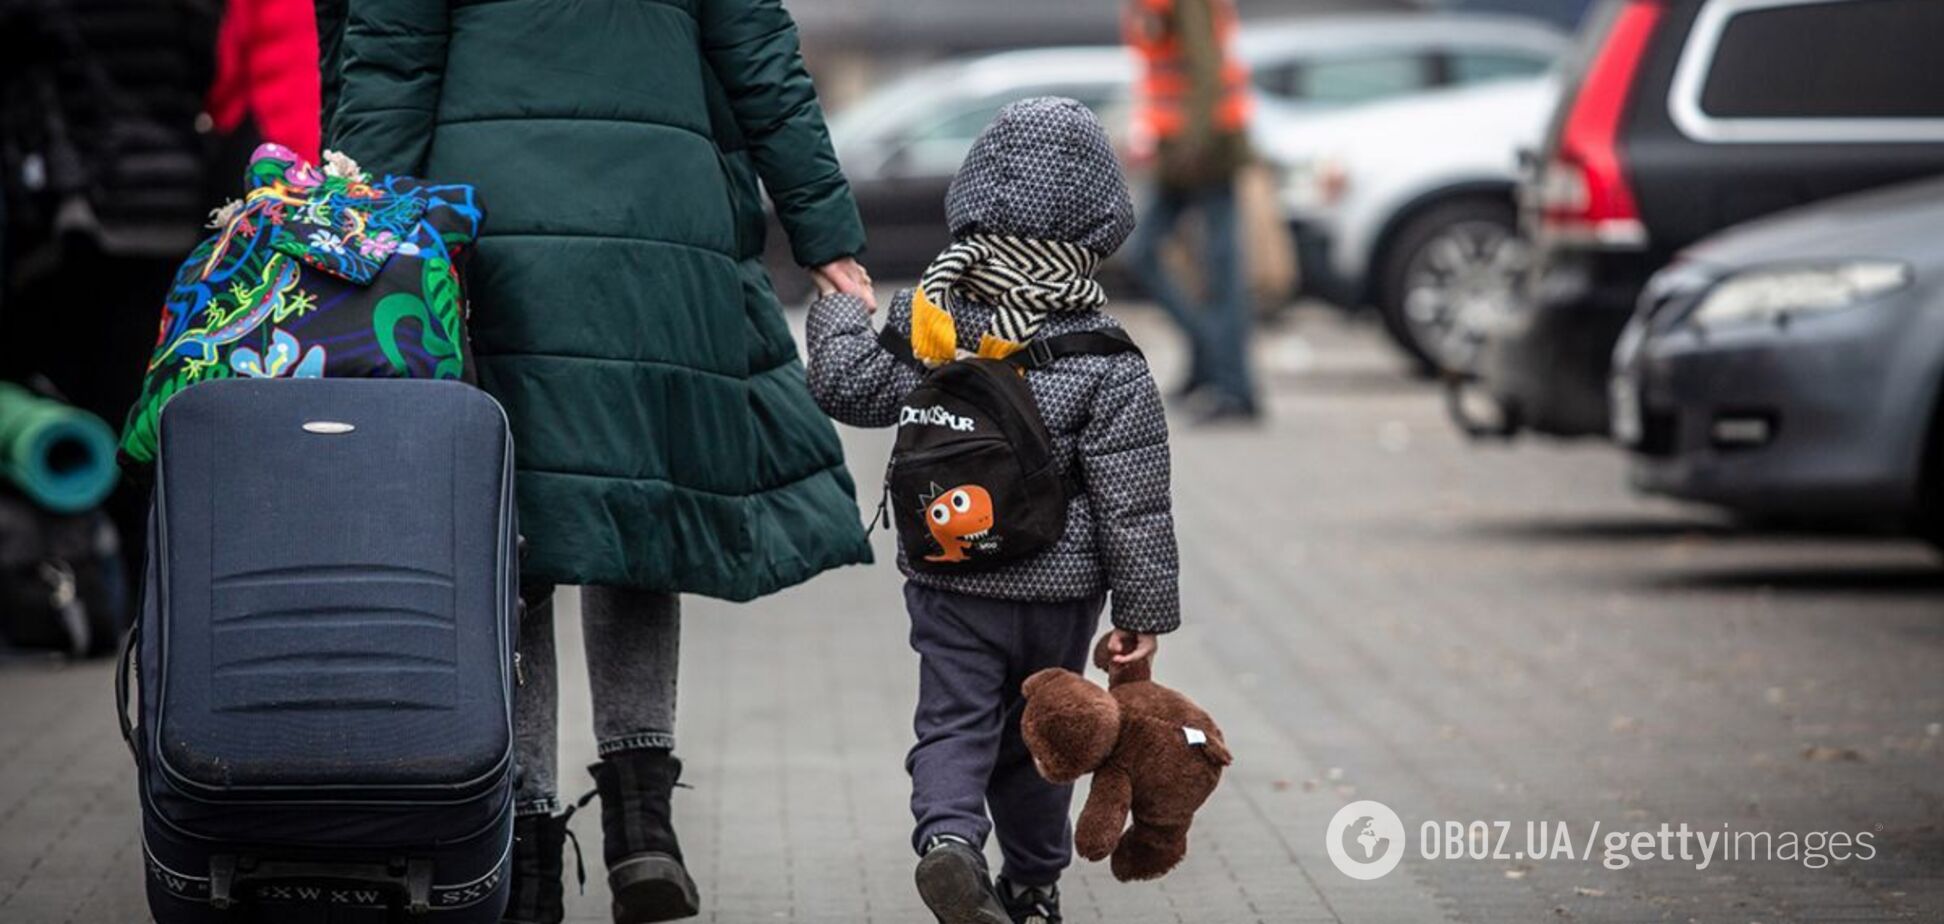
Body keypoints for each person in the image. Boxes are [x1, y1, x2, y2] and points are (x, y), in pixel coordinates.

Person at [319, 1, 878, 922]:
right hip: (660, 227)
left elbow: (385, 63)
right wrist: (827, 234)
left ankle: (530, 850)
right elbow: (760, 56)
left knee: (512, 539)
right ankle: (642, 820)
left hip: (489, 231)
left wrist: (357, 241)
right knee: (635, 510)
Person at [805, 97, 1180, 924]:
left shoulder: (929, 322)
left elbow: (846, 387)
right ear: (1101, 218)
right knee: (1044, 733)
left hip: (951, 575)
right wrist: (1142, 613)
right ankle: (1035, 887)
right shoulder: (1105, 355)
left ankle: (947, 844)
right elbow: (1133, 498)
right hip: (1058, 595)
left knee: (954, 720)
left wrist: (838, 306)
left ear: (970, 196)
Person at [1124, 0, 1261, 423]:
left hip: (1205, 147)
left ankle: (1233, 386)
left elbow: (1207, 70)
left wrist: (1191, 144)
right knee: (1150, 255)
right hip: (1182, 147)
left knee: (1220, 272)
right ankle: (1209, 362)